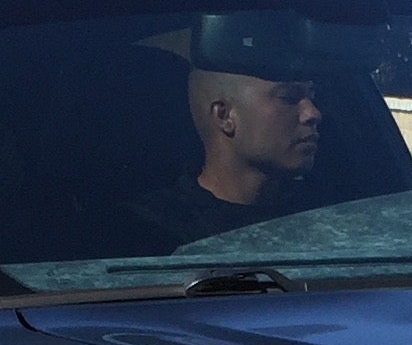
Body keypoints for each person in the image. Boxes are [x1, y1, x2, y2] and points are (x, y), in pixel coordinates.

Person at [134, 13, 326, 250]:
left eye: (311, 97)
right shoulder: (154, 231)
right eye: (288, 98)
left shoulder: (329, 217)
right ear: (224, 116)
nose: (312, 113)